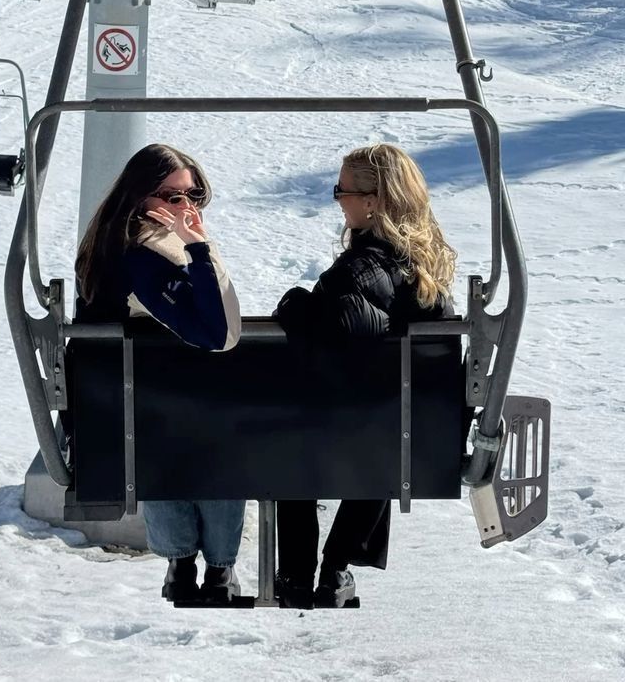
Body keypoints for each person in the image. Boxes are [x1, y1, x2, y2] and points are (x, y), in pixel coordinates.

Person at [274, 143, 457, 609]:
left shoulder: (357, 271)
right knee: (390, 426)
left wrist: (296, 306)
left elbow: (344, 331)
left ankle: (295, 569)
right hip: (409, 436)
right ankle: (336, 564)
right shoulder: (427, 273)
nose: (338, 200)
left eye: (342, 191)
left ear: (372, 201)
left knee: (285, 425)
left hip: (335, 432)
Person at [74, 143, 243, 604]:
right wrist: (200, 249)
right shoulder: (143, 254)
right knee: (227, 430)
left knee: (190, 421)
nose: (187, 207)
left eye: (194, 195)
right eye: (174, 196)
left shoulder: (121, 241)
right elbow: (220, 332)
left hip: (128, 400)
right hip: (143, 408)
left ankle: (184, 562)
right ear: (141, 196)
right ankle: (213, 565)